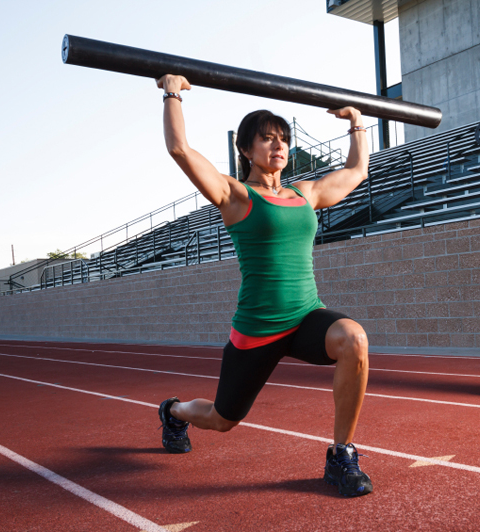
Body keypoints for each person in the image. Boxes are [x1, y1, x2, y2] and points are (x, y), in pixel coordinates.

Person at [154, 74, 373, 497]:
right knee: (223, 419)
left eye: (283, 140)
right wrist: (172, 92)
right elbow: (179, 149)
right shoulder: (236, 196)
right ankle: (175, 411)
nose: (278, 146)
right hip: (257, 329)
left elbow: (357, 170)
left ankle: (342, 454)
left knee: (354, 339)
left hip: (307, 315)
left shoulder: (305, 193)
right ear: (246, 149)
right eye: (267, 139)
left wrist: (356, 121)